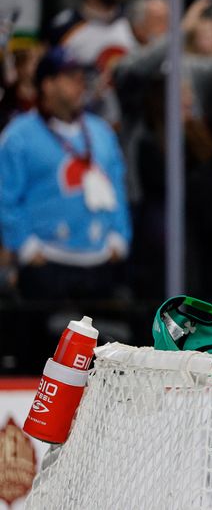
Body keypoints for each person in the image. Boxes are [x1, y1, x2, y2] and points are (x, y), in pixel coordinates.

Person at [0, 46, 130, 371]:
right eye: (70, 77)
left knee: (103, 357)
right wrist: (26, 246)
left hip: (99, 260)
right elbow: (5, 195)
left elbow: (116, 185)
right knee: (40, 354)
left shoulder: (100, 132)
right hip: (47, 264)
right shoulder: (19, 136)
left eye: (81, 78)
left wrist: (119, 236)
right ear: (46, 84)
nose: (80, 84)